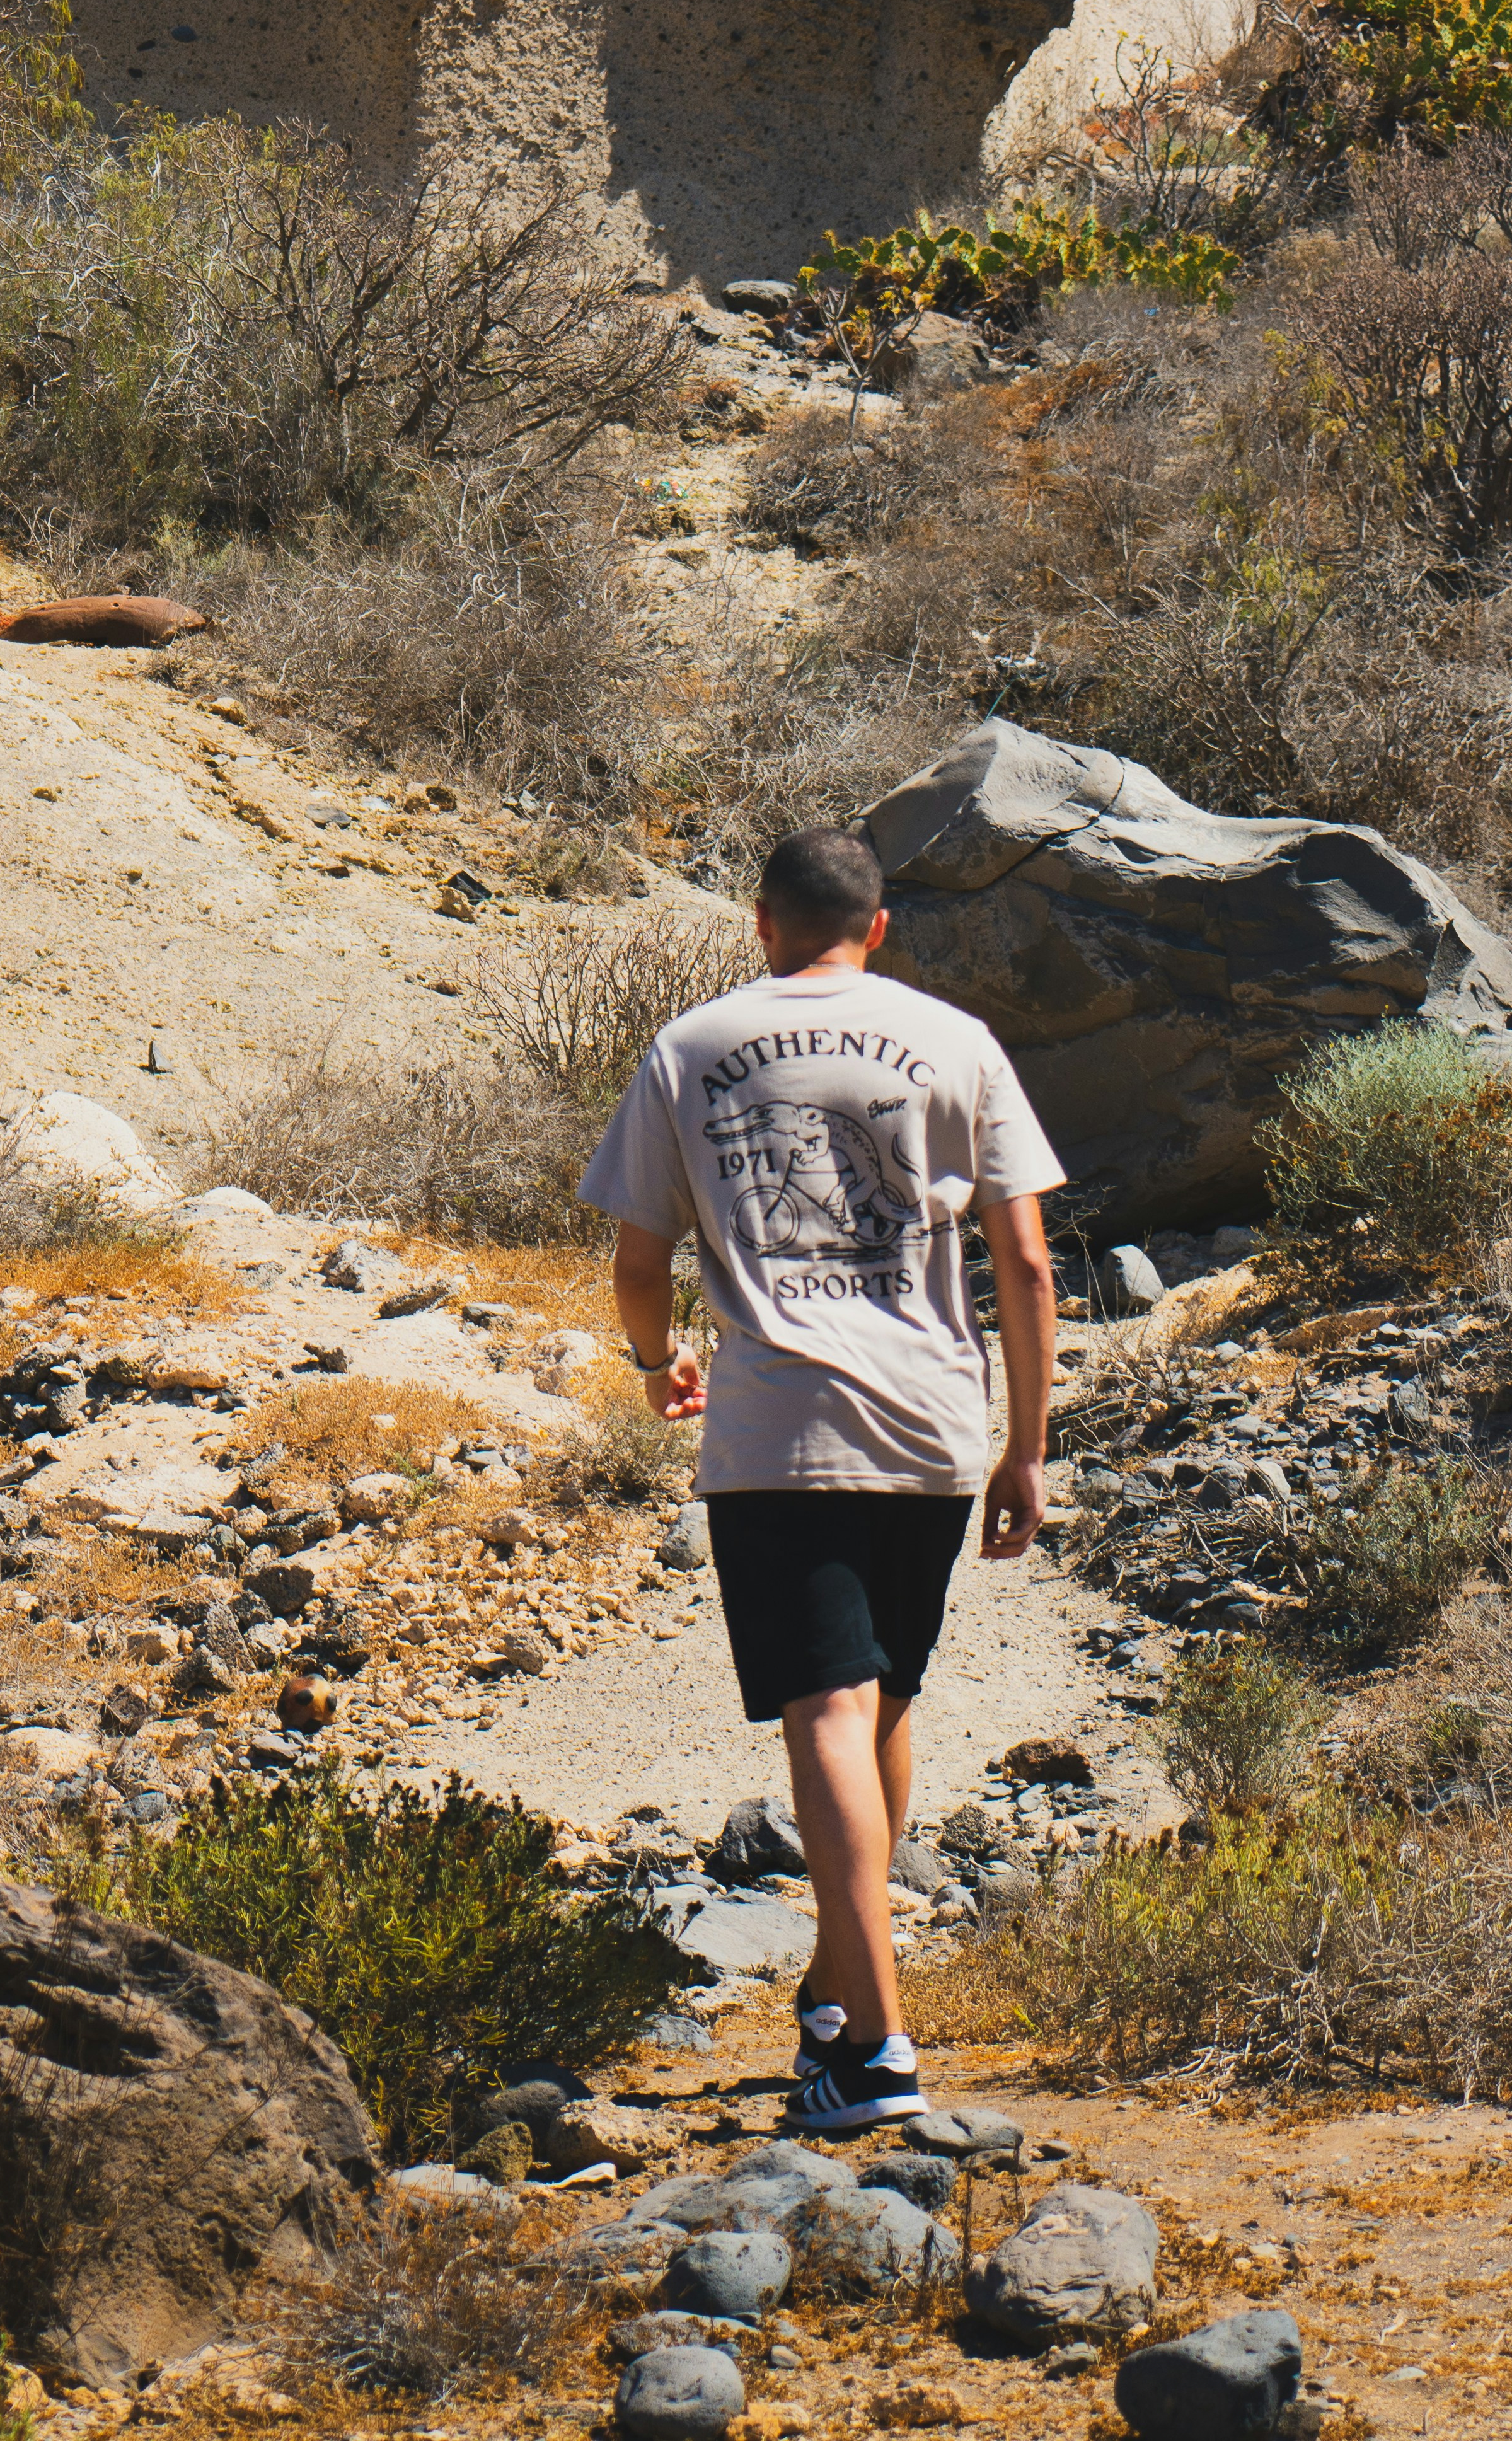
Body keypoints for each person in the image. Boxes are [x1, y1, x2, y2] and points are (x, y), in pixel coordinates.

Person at [577, 824, 1062, 2135]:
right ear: (879, 926)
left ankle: (877, 2048)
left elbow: (638, 1253)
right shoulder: (955, 1039)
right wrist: (1025, 1442)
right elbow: (1023, 1260)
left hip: (780, 1430)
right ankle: (840, 1994)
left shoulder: (690, 1045)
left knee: (828, 1715)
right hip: (931, 1424)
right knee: (883, 1699)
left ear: (760, 922)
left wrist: (653, 1360)